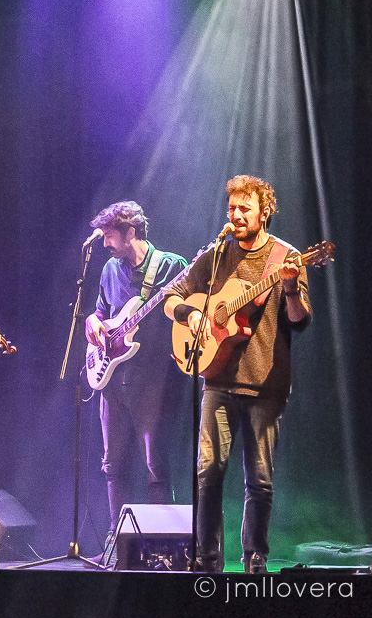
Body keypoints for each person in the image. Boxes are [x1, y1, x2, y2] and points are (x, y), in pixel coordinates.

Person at [163, 175, 311, 573]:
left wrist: (291, 288)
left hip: (266, 384)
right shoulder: (216, 255)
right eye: (232, 208)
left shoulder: (286, 258)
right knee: (208, 472)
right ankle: (206, 560)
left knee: (259, 480)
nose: (237, 215)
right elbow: (170, 297)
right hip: (218, 381)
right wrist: (192, 314)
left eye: (245, 208)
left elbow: (299, 320)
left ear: (265, 212)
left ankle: (254, 560)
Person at [83, 202, 187, 552]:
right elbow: (101, 311)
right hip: (112, 379)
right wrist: (93, 320)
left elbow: (188, 311)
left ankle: (164, 546)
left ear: (131, 232)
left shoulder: (172, 266)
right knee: (112, 464)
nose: (105, 244)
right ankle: (118, 542)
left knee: (154, 463)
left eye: (109, 236)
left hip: (154, 380)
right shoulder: (109, 269)